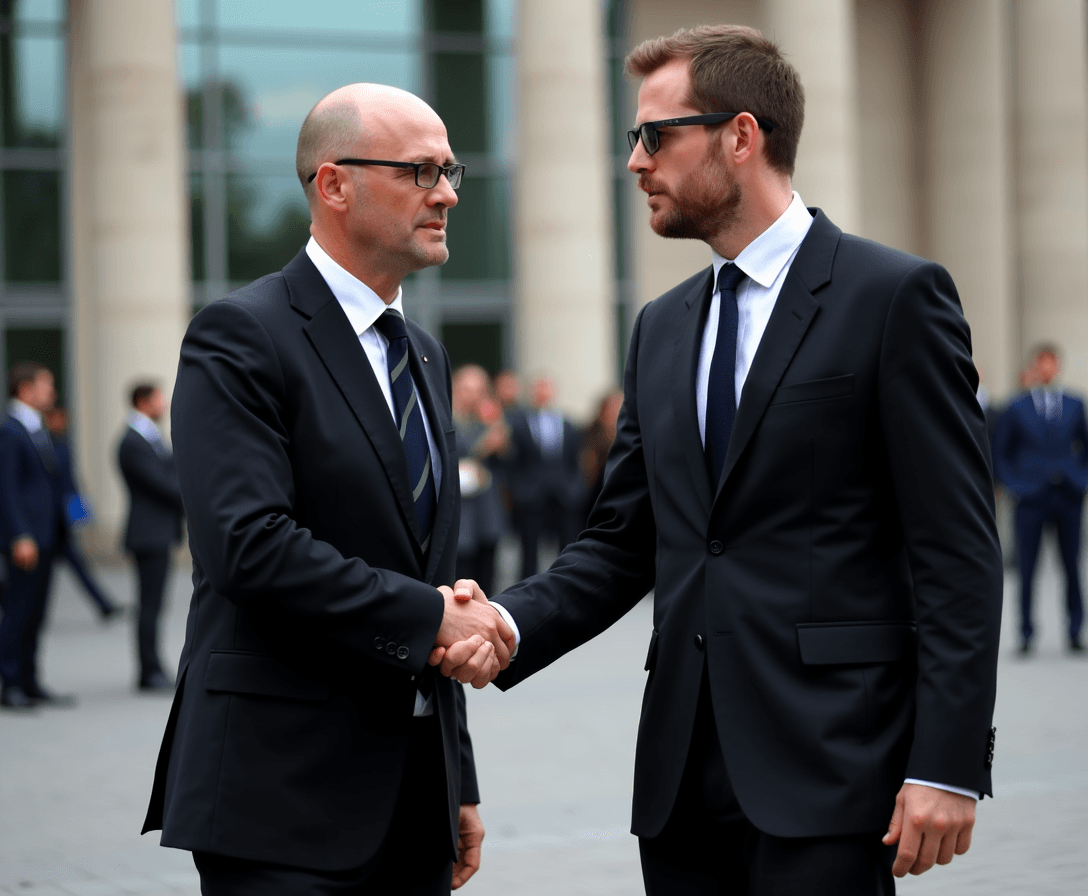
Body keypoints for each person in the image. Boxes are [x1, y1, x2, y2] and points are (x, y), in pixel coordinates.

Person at [435, 25, 1002, 895]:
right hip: (681, 784)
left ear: (741, 136)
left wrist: (948, 764)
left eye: (654, 135)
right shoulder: (661, 327)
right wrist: (507, 626)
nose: (634, 162)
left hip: (833, 773)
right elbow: (623, 540)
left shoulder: (893, 299)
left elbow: (956, 550)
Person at [141, 83, 513, 895]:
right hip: (281, 798)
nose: (447, 192)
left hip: (414, 796)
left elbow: (428, 575)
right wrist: (434, 618)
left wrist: (458, 777)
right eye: (421, 171)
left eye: (451, 170)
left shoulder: (424, 354)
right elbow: (249, 545)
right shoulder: (241, 335)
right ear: (334, 183)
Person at [993, 344, 1088, 654]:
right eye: (1042, 363)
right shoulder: (1016, 407)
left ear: (1057, 366)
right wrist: (1015, 485)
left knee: (1071, 566)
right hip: (1031, 498)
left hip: (1067, 496)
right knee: (1027, 567)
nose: (1047, 368)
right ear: (1035, 367)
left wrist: (1081, 480)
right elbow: (1001, 453)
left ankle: (1075, 630)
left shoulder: (1075, 404)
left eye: (1052, 362)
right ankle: (1025, 632)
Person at [0, 361, 72, 709]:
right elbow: (8, 489)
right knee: (17, 613)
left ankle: (29, 680)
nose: (52, 392)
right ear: (25, 389)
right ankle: (10, 684)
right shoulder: (10, 430)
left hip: (46, 537)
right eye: (46, 386)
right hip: (27, 540)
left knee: (36, 614)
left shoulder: (37, 428)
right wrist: (20, 535)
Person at [117, 383, 185, 691]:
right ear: (143, 401)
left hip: (158, 532)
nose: (165, 403)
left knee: (155, 604)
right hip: (148, 533)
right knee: (149, 605)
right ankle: (149, 670)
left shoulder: (148, 436)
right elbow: (161, 483)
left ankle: (153, 667)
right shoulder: (132, 440)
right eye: (159, 398)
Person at [45, 406, 121, 622]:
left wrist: (78, 506)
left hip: (59, 519)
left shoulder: (62, 443)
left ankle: (103, 604)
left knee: (77, 566)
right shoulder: (44, 444)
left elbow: (70, 481)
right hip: (48, 520)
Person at [506, 375, 583, 578]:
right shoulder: (519, 423)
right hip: (531, 495)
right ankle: (526, 587)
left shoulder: (568, 423)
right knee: (529, 549)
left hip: (563, 494)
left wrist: (575, 488)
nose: (543, 394)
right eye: (539, 389)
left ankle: (565, 581)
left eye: (546, 389)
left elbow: (574, 459)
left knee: (566, 545)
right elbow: (514, 460)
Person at [452, 365, 508, 597]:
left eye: (478, 390)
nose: (472, 395)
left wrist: (497, 426)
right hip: (460, 517)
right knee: (461, 580)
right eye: (466, 389)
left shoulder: (489, 419)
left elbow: (509, 458)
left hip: (487, 513)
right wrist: (482, 449)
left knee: (488, 582)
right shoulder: (444, 418)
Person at [579, 388, 624, 524]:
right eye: (613, 408)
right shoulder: (591, 436)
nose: (616, 413)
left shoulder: (630, 437)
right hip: (597, 500)